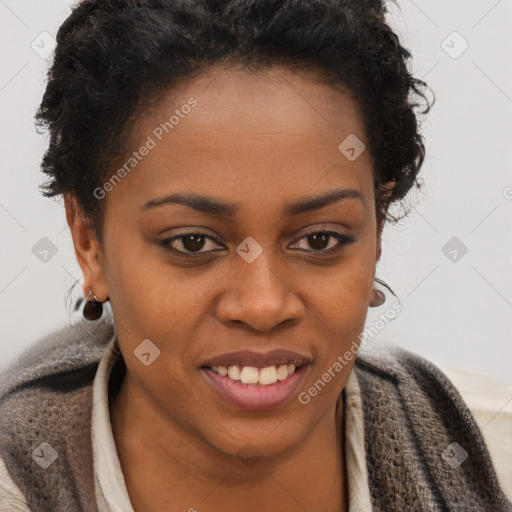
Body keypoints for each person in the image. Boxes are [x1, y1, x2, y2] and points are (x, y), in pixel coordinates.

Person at [0, 0, 511, 510]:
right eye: (192, 242)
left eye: (319, 239)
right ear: (89, 244)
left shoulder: (489, 455)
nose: (264, 306)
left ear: (376, 229)